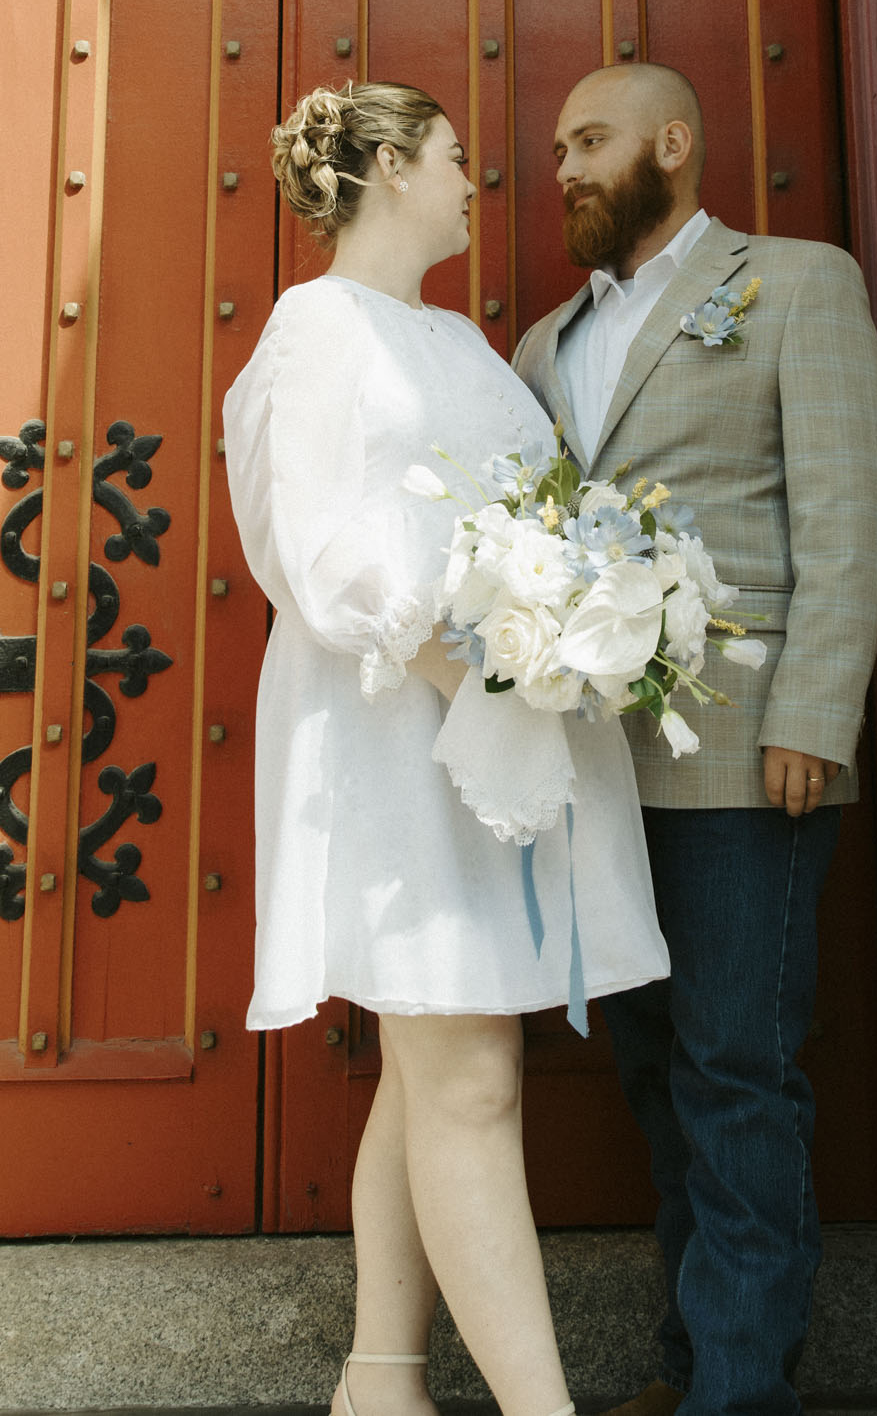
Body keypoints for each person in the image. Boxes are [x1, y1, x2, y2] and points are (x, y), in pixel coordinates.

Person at [223, 80, 669, 1416]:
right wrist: (456, 655)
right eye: (457, 157)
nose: (480, 180)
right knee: (467, 1075)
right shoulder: (314, 330)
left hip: (492, 732)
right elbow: (303, 540)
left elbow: (534, 513)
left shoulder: (464, 345)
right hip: (386, 734)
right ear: (389, 169)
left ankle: (381, 1379)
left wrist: (570, 620)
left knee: (436, 1073)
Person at [512, 63, 877, 1416]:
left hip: (750, 761)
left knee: (738, 1074)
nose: (564, 165)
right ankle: (695, 1373)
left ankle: (741, 1397)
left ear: (674, 143)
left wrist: (815, 714)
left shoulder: (796, 283)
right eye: (558, 146)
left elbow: (848, 509)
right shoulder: (545, 345)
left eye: (593, 139)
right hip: (602, 777)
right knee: (657, 1084)